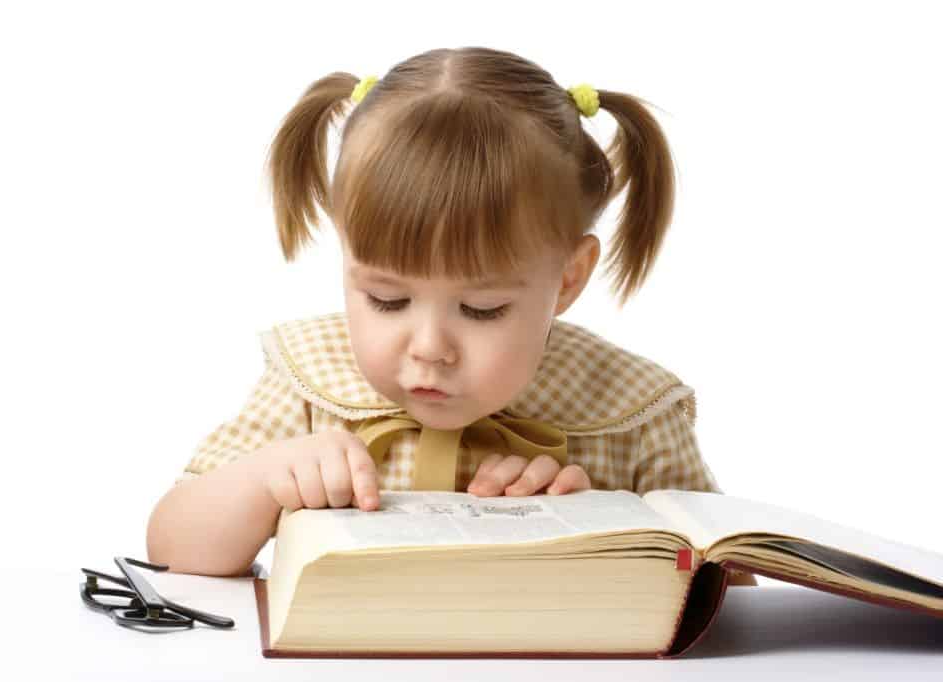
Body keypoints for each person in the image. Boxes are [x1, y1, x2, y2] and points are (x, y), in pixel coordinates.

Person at [146, 46, 757, 586]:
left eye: (481, 309)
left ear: (567, 278)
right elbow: (172, 553)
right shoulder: (312, 385)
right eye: (386, 299)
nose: (430, 346)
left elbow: (727, 593)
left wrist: (601, 530)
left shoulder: (631, 414)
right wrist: (262, 480)